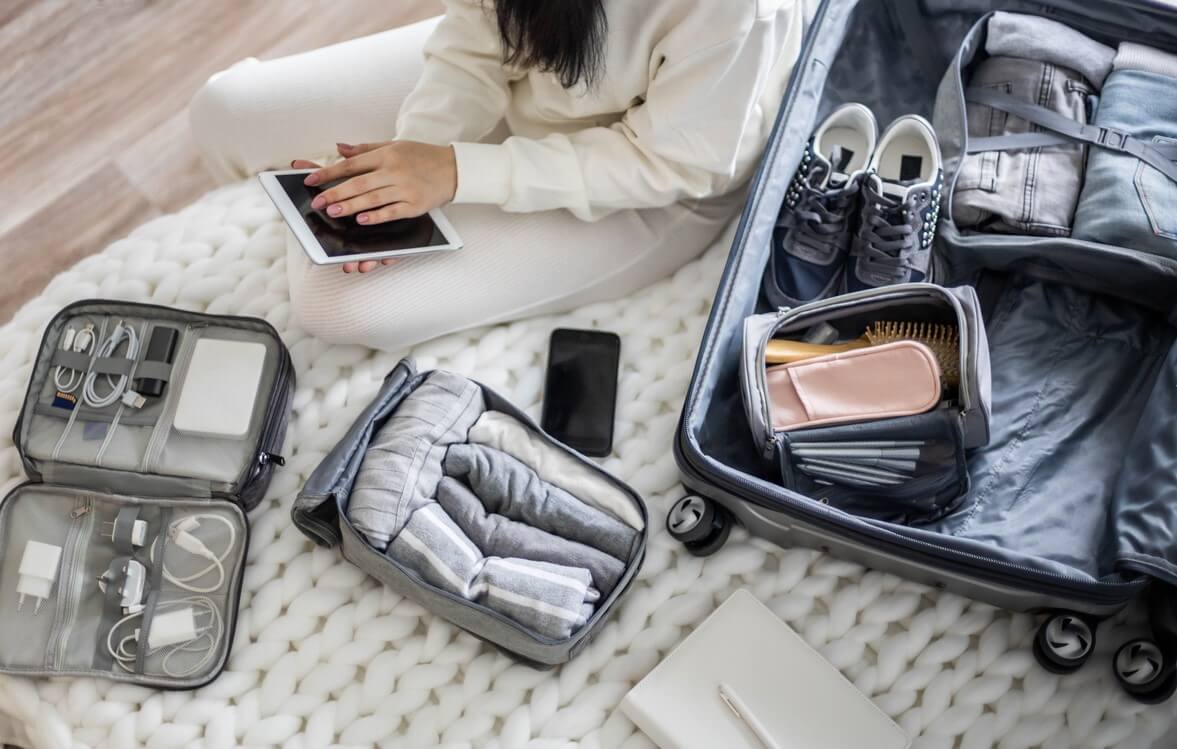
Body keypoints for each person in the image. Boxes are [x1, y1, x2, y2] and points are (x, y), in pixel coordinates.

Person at [190, 0, 813, 351]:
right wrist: (416, 150)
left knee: (334, 302)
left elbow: (675, 162)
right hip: (535, 69)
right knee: (225, 110)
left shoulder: (742, 11)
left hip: (655, 178)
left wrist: (457, 172)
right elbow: (476, 30)